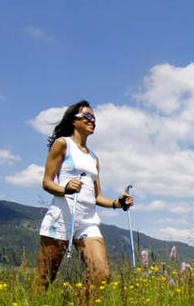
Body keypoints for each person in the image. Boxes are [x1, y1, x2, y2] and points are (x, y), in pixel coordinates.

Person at [36, 100, 133, 289]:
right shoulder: (62, 144)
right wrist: (65, 189)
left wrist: (118, 203)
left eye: (94, 118)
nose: (92, 121)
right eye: (87, 116)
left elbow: (96, 197)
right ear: (74, 120)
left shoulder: (93, 158)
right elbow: (46, 182)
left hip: (87, 222)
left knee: (101, 274)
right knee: (44, 279)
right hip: (62, 218)